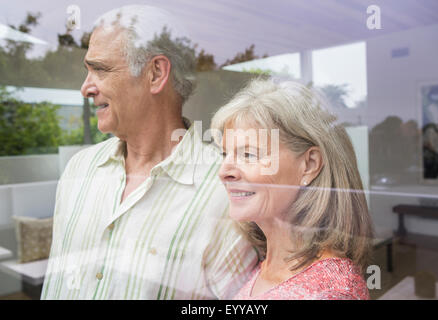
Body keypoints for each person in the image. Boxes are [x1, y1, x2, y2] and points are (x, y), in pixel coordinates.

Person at [41, 5, 257, 300]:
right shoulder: (79, 169)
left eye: (100, 70)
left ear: (156, 73)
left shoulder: (226, 192)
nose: (86, 88)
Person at [211, 78, 374, 300]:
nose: (224, 172)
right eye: (225, 154)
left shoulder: (331, 292)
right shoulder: (267, 263)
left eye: (248, 154)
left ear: (309, 165)